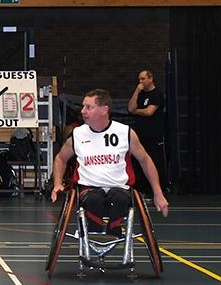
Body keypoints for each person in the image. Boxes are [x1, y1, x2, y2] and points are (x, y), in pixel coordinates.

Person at [50, 88, 169, 237]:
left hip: (119, 188)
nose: (83, 111)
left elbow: (145, 160)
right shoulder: (77, 134)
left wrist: (158, 193)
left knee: (120, 200)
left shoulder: (125, 132)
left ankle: (114, 227)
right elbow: (60, 159)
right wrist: (57, 184)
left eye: (89, 107)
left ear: (104, 109)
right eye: (83, 107)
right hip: (88, 188)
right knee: (93, 200)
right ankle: (95, 227)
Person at [127, 69, 168, 192]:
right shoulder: (140, 94)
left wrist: (136, 111)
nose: (141, 81)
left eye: (143, 79)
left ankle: (158, 189)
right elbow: (130, 108)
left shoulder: (157, 94)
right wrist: (137, 91)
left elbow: (149, 112)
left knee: (155, 161)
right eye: (139, 79)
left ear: (150, 78)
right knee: (138, 162)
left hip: (154, 135)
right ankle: (141, 189)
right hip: (140, 135)